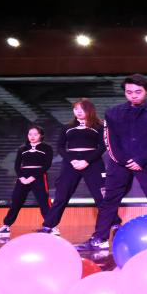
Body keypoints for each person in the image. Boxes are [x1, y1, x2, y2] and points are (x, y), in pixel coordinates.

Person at [78, 74, 147, 249]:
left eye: (138, 91)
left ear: (146, 91)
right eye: (129, 92)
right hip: (119, 163)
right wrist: (123, 160)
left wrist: (141, 160)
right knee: (109, 200)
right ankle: (100, 239)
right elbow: (109, 140)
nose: (133, 95)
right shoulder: (113, 113)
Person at [39, 98, 112, 234]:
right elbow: (60, 147)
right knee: (62, 195)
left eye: (82, 109)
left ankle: (114, 224)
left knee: (101, 196)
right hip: (70, 162)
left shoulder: (99, 126)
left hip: (93, 162)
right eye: (76, 108)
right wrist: (72, 160)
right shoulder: (67, 127)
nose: (78, 111)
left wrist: (87, 161)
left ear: (89, 110)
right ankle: (48, 226)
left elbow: (103, 146)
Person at [0, 125, 53, 237]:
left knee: (43, 201)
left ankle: (50, 227)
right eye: (30, 134)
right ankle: (6, 227)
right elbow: (17, 166)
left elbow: (47, 165)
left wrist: (33, 177)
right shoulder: (22, 149)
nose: (32, 136)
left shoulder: (47, 148)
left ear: (41, 135)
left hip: (38, 175)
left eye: (35, 134)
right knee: (16, 201)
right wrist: (22, 178)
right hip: (23, 177)